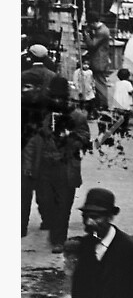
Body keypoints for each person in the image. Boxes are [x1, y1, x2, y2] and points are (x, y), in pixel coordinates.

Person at [36, 75, 91, 253]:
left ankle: (59, 240)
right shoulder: (41, 115)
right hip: (45, 166)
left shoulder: (77, 116)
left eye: (61, 98)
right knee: (46, 202)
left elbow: (84, 137)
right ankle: (52, 228)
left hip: (66, 167)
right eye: (55, 98)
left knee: (63, 206)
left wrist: (70, 139)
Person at [21, 45, 61, 237]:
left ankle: (21, 224)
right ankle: (47, 219)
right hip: (46, 134)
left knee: (25, 183)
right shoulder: (53, 76)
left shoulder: (24, 75)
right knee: (44, 184)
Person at [83, 13, 111, 112]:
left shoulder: (102, 31)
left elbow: (92, 44)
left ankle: (104, 106)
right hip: (100, 60)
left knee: (100, 84)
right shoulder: (102, 29)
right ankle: (101, 105)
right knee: (99, 83)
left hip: (99, 61)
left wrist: (86, 34)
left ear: (93, 22)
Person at [112, 68, 133, 132]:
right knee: (126, 115)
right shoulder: (128, 83)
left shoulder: (117, 83)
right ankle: (124, 127)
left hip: (117, 101)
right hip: (125, 101)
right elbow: (131, 92)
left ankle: (118, 126)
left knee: (119, 115)